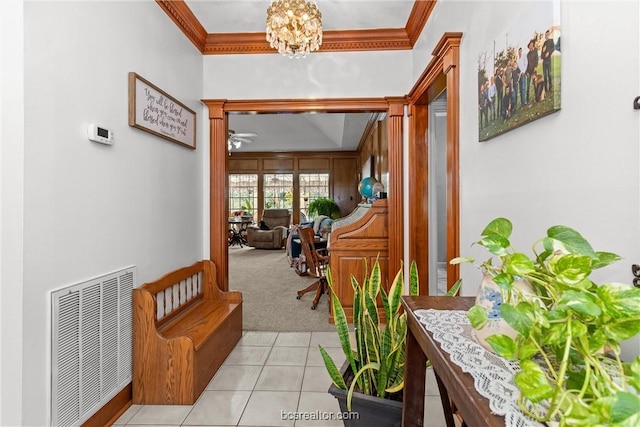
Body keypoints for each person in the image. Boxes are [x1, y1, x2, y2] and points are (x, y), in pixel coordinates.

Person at [525, 39, 538, 105]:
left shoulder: (535, 51)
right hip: (529, 72)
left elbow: (536, 60)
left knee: (535, 85)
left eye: (532, 45)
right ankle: (527, 100)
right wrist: (526, 72)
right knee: (527, 87)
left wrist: (535, 67)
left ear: (533, 45)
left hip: (534, 71)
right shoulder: (527, 55)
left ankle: (536, 97)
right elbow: (526, 64)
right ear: (529, 46)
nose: (531, 46)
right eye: (530, 45)